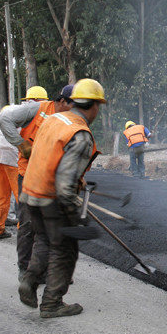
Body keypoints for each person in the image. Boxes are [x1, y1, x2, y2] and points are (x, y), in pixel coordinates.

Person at [17, 78, 105, 318]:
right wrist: (73, 214)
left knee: (44, 241)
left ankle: (29, 281)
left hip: (30, 192)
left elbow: (48, 155)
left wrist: (77, 178)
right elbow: (65, 186)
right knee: (64, 249)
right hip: (51, 199)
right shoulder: (81, 134)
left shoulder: (54, 118)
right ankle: (52, 303)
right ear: (94, 105)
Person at [0, 84, 73, 279]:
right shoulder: (37, 108)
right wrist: (21, 144)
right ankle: (26, 270)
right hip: (29, 176)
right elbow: (5, 119)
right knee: (28, 223)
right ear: (61, 101)